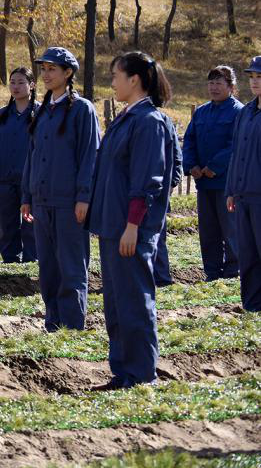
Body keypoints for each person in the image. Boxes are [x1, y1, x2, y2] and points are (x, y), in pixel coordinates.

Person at [87, 52, 179, 389]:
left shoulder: (150, 122)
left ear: (134, 79)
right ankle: (122, 371)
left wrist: (133, 225)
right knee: (115, 303)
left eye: (116, 75)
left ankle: (141, 374)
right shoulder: (126, 118)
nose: (112, 81)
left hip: (131, 229)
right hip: (113, 225)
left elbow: (148, 180)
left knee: (134, 302)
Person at [21, 46, 101, 332]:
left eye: (52, 69)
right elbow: (32, 155)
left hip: (69, 203)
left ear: (68, 73)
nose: (46, 74)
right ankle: (52, 323)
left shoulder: (82, 110)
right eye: (44, 69)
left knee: (71, 267)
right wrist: (27, 196)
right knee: (49, 269)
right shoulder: (42, 110)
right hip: (42, 202)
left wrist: (84, 197)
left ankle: (72, 325)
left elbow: (90, 156)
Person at [182, 65, 244, 280]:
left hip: (226, 183)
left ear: (231, 87)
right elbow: (189, 140)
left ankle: (232, 270)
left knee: (230, 229)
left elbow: (236, 145)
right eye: (211, 83)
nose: (214, 87)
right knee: (208, 231)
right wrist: (191, 165)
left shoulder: (238, 112)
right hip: (204, 183)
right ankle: (211, 271)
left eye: (219, 83)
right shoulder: (201, 111)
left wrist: (214, 167)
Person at [0, 67, 39, 263]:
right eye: (12, 82)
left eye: (21, 82)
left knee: (30, 225)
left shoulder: (40, 114)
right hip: (4, 179)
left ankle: (31, 262)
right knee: (7, 225)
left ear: (31, 85)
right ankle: (10, 262)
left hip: (31, 182)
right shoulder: (1, 116)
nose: (16, 87)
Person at [226, 56, 261, 312]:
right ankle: (251, 305)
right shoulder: (245, 112)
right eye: (252, 77)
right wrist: (231, 191)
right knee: (247, 255)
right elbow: (236, 153)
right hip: (242, 196)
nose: (255, 82)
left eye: (259, 77)